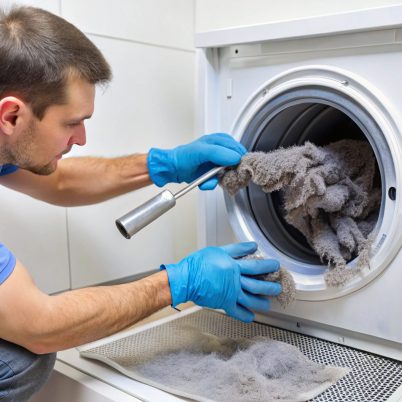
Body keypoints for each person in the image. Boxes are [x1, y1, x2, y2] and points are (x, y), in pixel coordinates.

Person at [0, 6, 282, 401]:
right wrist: (179, 282)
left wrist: (164, 164)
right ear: (11, 115)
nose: (81, 139)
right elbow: (41, 326)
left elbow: (59, 180)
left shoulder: (7, 142)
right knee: (21, 359)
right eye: (70, 123)